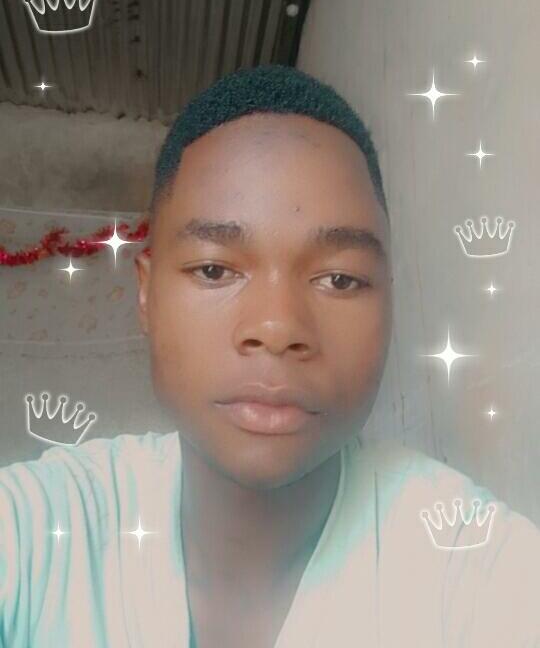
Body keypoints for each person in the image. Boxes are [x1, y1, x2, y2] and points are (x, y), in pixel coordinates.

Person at [0, 65, 538, 648]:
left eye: (339, 279)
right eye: (214, 270)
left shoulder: (471, 566)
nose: (277, 328)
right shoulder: (38, 531)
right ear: (147, 295)